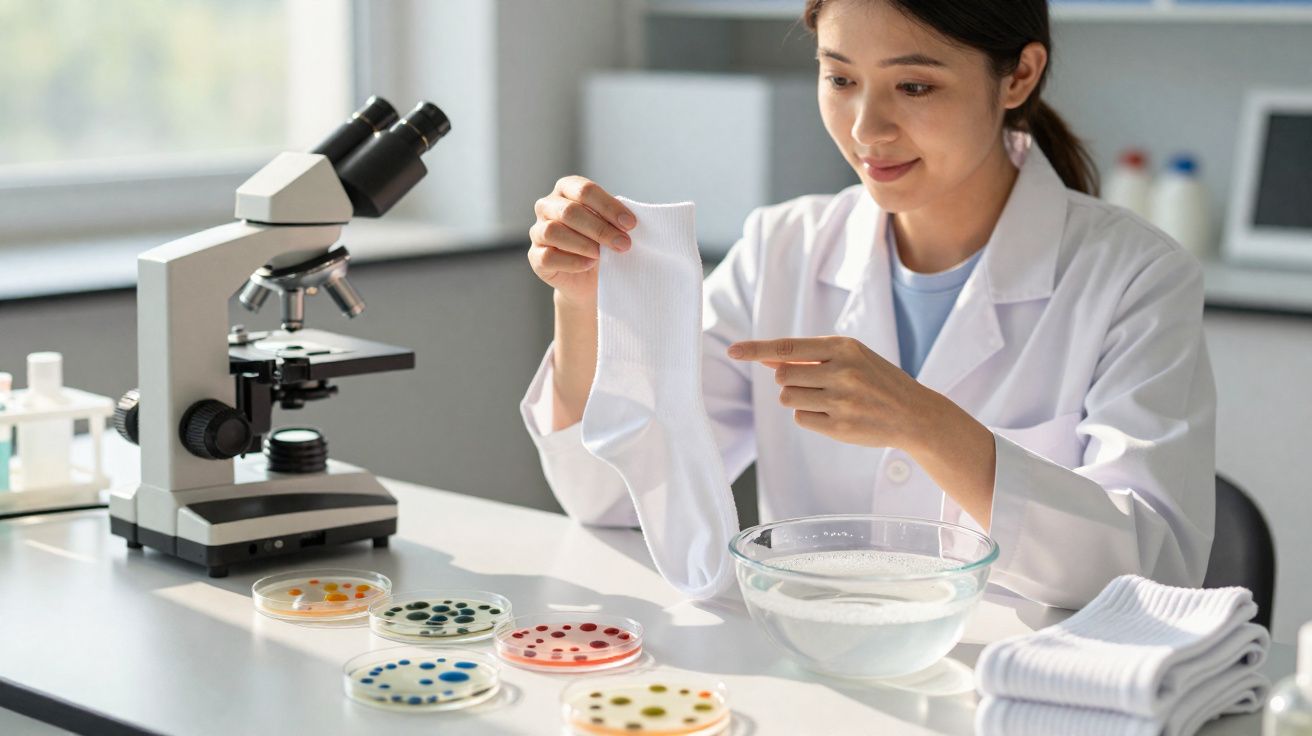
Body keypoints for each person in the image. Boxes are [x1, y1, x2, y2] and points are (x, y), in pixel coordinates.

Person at [520, 0, 1215, 608]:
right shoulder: (781, 248)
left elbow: (1152, 567)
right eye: (841, 79)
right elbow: (609, 498)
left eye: (914, 85)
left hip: (1020, 681)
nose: (866, 129)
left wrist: (927, 426)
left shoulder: (1136, 277)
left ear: (1019, 76)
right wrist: (583, 304)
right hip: (819, 662)